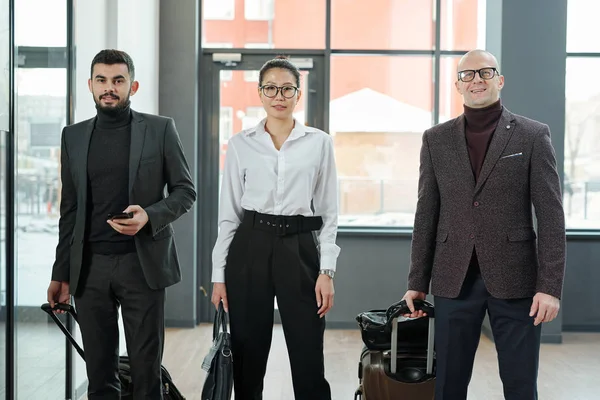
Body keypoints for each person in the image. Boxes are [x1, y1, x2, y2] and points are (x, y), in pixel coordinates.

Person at [402, 49, 566, 400]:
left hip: (517, 280)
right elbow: (426, 212)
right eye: (467, 75)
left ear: (499, 80)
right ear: (458, 86)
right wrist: (417, 280)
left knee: (521, 384)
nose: (477, 79)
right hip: (452, 279)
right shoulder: (435, 139)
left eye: (485, 72)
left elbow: (551, 214)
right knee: (448, 385)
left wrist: (549, 286)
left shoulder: (533, 135)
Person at [46, 49, 196, 399]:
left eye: (118, 80)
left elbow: (185, 191)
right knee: (99, 374)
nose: (109, 88)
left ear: (133, 85)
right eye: (101, 80)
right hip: (90, 269)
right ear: (90, 85)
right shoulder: (74, 136)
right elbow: (69, 210)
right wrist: (61, 272)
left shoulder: (160, 129)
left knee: (146, 373)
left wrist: (149, 216)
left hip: (141, 265)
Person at [210, 56, 340, 400]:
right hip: (250, 246)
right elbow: (229, 214)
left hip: (299, 247)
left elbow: (329, 213)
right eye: (270, 88)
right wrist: (218, 274)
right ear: (260, 93)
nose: (278, 95)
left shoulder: (319, 143)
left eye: (287, 88)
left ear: (298, 95)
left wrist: (327, 270)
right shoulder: (241, 144)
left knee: (308, 348)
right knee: (248, 351)